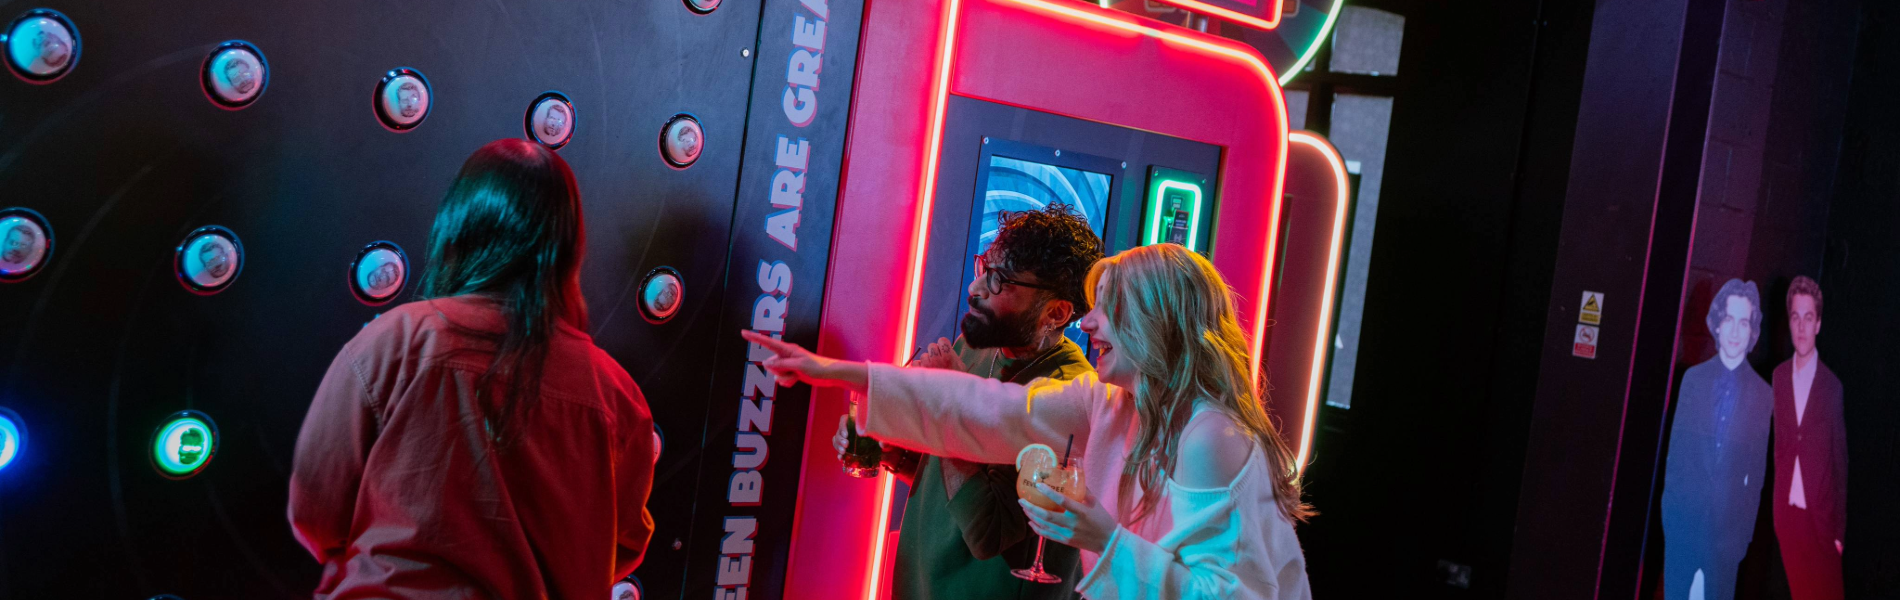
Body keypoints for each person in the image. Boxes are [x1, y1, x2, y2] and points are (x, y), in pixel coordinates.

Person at [752, 243, 1314, 600]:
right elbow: (988, 409)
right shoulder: (1110, 403)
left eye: (1108, 308)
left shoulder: (1210, 436)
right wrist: (834, 371)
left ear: (1155, 321)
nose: (1088, 323)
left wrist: (1103, 539)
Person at [289, 139, 655, 599]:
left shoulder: (392, 343)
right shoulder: (616, 393)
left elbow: (317, 510)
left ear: (457, 227)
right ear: (568, 247)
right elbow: (623, 543)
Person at [833, 204, 1104, 600]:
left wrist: (952, 402)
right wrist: (897, 457)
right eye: (984, 268)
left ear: (1056, 313)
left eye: (999, 281)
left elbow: (988, 532)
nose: (975, 288)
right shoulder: (976, 346)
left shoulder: (1069, 395)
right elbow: (955, 487)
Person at [1661, 279, 1773, 600]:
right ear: (1717, 324)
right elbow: (1675, 459)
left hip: (1725, 542)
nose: (1735, 331)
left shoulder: (1763, 395)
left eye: (1743, 323)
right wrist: (1671, 521)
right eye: (1729, 320)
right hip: (1682, 530)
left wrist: (1740, 539)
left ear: (1752, 331)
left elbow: (1756, 477)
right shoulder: (1692, 380)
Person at [1771, 276, 1846, 600]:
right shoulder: (1778, 378)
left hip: (1821, 523)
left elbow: (1840, 464)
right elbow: (1779, 448)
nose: (1801, 327)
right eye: (1795, 317)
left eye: (1809, 317)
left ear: (1818, 324)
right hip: (1787, 519)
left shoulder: (1832, 387)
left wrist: (1838, 531)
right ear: (1789, 323)